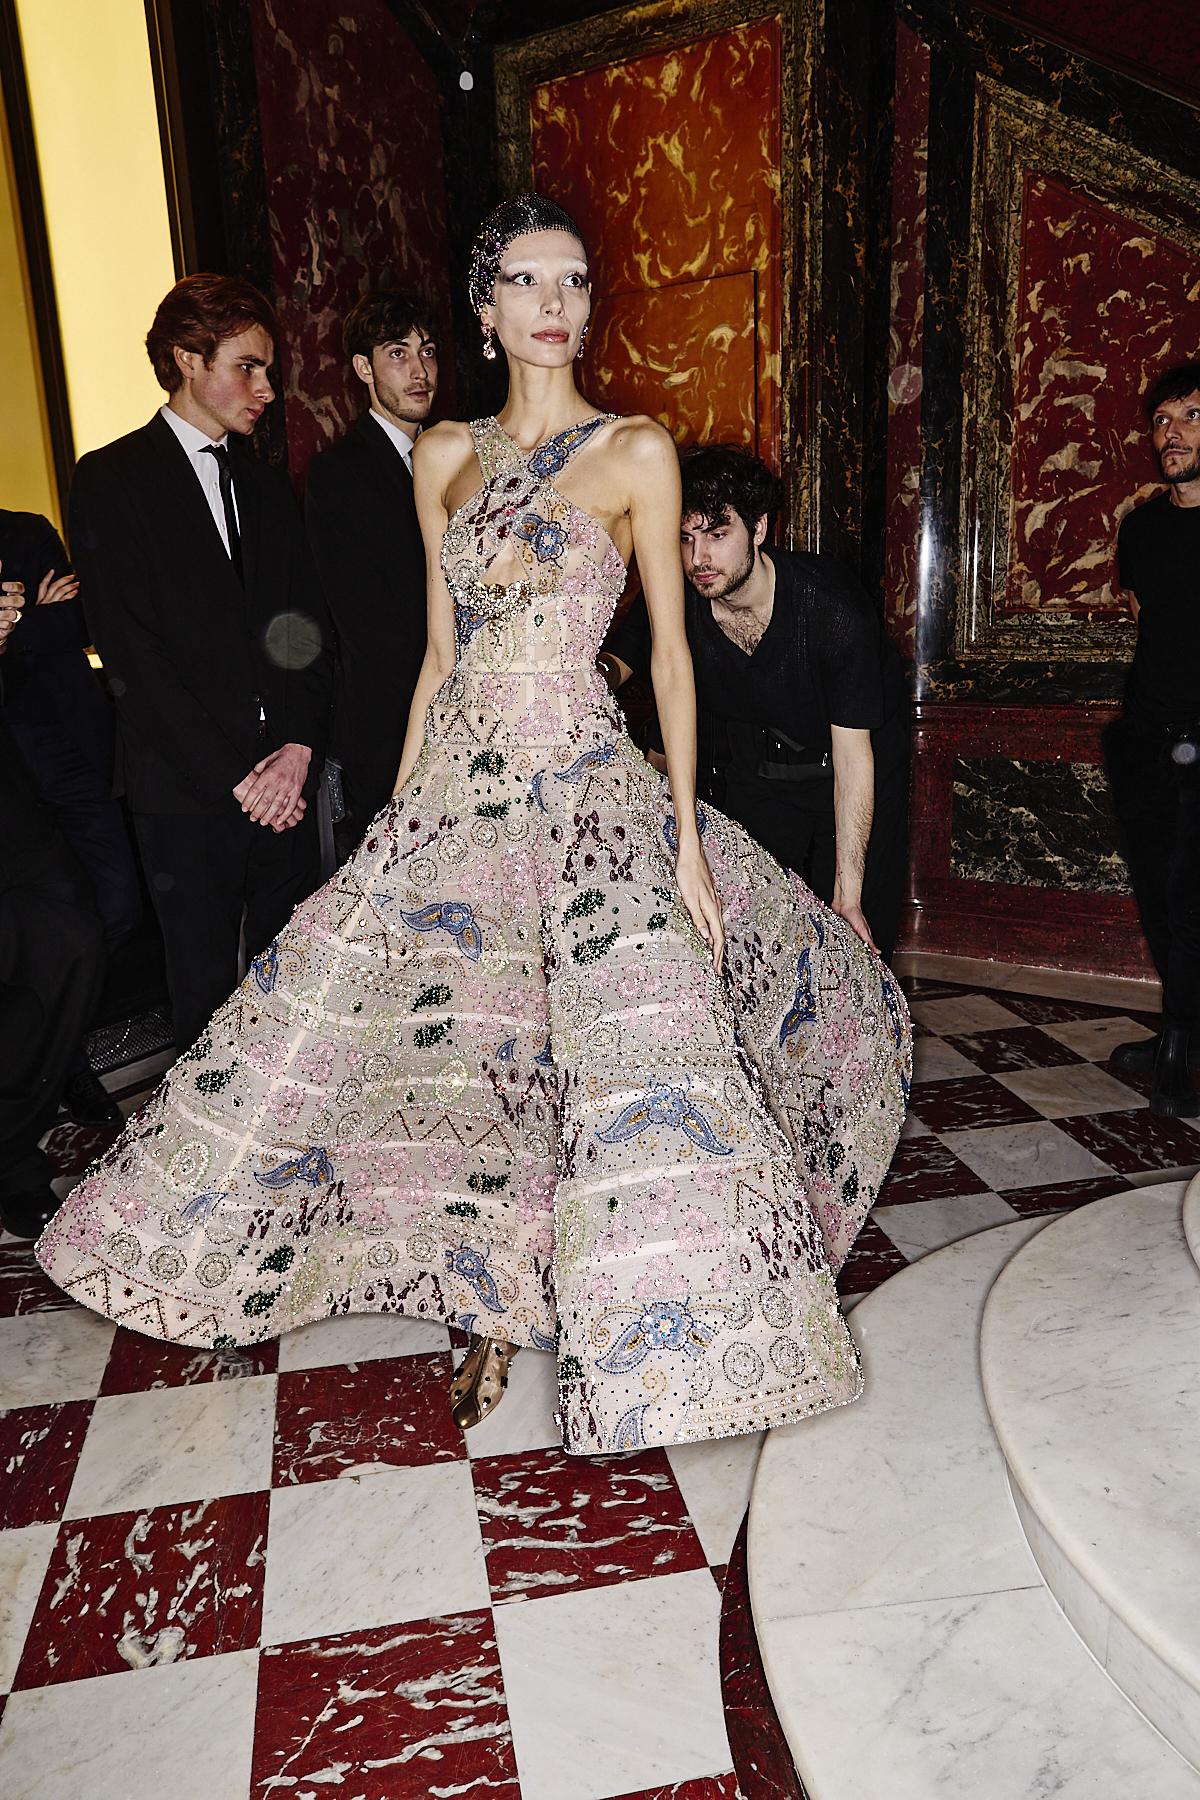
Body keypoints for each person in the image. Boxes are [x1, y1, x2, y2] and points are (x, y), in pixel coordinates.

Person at [38, 196, 910, 1457]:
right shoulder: (444, 454)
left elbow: (670, 661)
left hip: (586, 788)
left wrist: (681, 839)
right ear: (485, 310)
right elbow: (439, 661)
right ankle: (485, 1297)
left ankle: (638, 1305)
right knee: (473, 1049)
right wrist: (395, 825)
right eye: (527, 281)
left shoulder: (638, 450)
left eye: (575, 280)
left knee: (611, 1056)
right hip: (460, 789)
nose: (556, 304)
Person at [65, 274, 334, 1058]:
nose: (267, 389)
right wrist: (239, 778)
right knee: (207, 1004)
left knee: (293, 992)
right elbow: (134, 658)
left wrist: (296, 749)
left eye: (268, 369)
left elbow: (303, 632)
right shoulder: (112, 479)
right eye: (247, 367)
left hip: (284, 783)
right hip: (187, 791)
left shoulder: (264, 483)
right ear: (188, 359)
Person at [602, 445, 910, 961]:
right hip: (760, 767)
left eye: (717, 535)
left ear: (759, 528)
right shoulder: (680, 598)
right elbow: (621, 658)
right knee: (755, 933)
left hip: (855, 769)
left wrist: (849, 897)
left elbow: (853, 755)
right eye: (685, 538)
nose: (698, 559)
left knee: (854, 944)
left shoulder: (831, 606)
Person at [1, 509, 140, 1129]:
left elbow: (80, 619)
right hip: (12, 782)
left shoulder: (27, 531)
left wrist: (17, 622)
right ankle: (64, 1064)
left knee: (119, 905)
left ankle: (56, 1040)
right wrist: (36, 612)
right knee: (36, 931)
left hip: (71, 755)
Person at [305, 291, 439, 862]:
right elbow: (365, 627)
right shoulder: (339, 474)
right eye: (397, 354)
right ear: (364, 369)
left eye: (427, 351)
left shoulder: (462, 461)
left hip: (472, 716)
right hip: (388, 729)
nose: (419, 371)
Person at [1104, 361, 1200, 1117]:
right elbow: (1148, 619)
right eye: (1163, 421)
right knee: (1158, 898)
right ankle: (1182, 1028)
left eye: (1191, 417)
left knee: (1192, 900)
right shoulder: (1138, 528)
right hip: (1146, 737)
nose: (1172, 434)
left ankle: (1178, 1046)